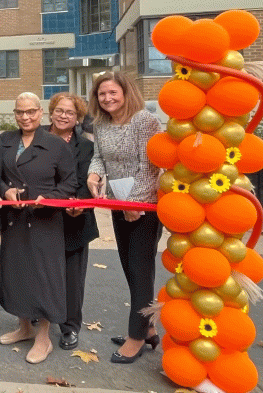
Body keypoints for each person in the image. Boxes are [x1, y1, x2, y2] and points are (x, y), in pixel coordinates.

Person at [86, 72, 162, 364]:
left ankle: (137, 337)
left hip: (145, 207)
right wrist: (94, 174)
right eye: (102, 94)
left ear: (126, 92)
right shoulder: (101, 124)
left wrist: (136, 202)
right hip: (119, 203)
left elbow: (151, 165)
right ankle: (149, 326)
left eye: (112, 93)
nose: (107, 99)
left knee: (141, 271)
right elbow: (99, 157)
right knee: (130, 269)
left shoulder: (145, 121)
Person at [0, 92, 76, 364]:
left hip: (45, 221)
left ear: (40, 113)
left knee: (45, 278)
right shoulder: (5, 141)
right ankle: (24, 327)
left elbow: (69, 183)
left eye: (31, 112)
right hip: (14, 220)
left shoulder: (56, 145)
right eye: (20, 112)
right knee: (16, 273)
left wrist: (50, 200)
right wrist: (6, 191)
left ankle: (44, 337)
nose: (25, 117)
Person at [45, 92, 98, 352]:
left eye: (70, 113)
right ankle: (40, 315)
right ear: (51, 112)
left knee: (72, 278)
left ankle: (69, 327)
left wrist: (80, 202)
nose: (64, 116)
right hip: (43, 219)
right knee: (42, 272)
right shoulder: (37, 139)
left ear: (77, 119)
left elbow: (90, 180)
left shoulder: (86, 147)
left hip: (75, 220)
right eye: (59, 111)